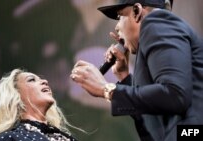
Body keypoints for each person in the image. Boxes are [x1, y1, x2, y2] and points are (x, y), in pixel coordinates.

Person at [70, 0, 203, 141]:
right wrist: (124, 77)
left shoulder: (156, 22)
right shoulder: (155, 35)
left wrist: (106, 89)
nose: (116, 26)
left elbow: (176, 94)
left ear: (137, 11)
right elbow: (156, 118)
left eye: (120, 16)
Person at [0, 69, 78, 141]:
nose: (45, 81)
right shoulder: (6, 138)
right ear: (16, 94)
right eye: (32, 80)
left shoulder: (65, 137)